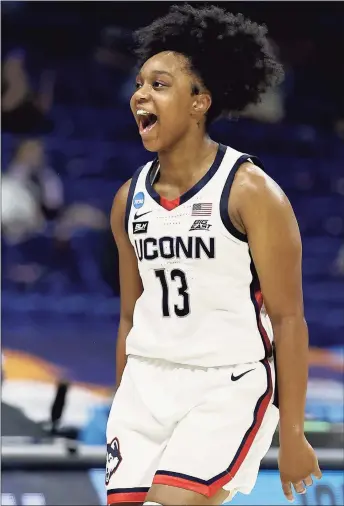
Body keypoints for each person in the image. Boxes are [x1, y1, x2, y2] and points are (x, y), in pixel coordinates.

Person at [107, 5, 321, 506]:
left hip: (225, 383)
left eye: (160, 85)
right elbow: (128, 316)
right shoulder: (127, 198)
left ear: (200, 101)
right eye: (140, 83)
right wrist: (123, 403)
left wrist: (293, 433)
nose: (141, 94)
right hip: (146, 383)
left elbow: (289, 319)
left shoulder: (251, 192)